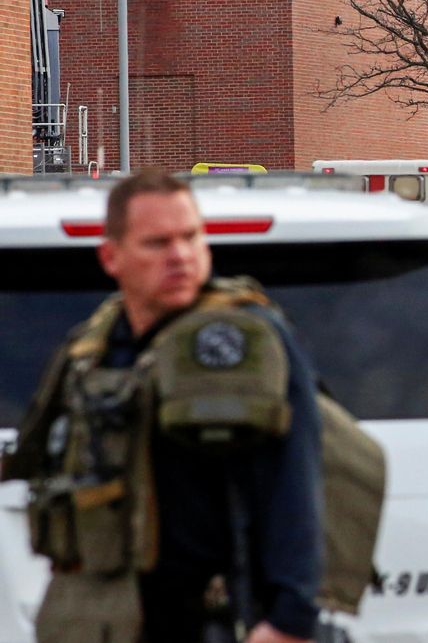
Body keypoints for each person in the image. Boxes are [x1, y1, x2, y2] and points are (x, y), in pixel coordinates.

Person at [3, 173, 323, 643]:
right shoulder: (94, 346)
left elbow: (295, 480)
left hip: (218, 618)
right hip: (111, 615)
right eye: (157, 243)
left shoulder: (246, 341)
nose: (180, 256)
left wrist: (290, 618)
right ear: (111, 257)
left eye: (190, 236)